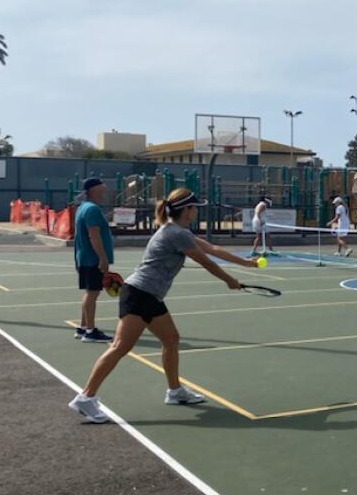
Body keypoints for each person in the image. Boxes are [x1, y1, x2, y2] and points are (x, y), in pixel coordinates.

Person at [68, 188, 260, 423]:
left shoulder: (178, 231)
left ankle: (175, 391)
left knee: (171, 340)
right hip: (139, 294)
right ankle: (85, 398)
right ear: (187, 210)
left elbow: (212, 248)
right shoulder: (176, 234)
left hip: (150, 296)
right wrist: (230, 281)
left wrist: (246, 263)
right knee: (120, 347)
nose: (196, 213)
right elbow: (207, 261)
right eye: (194, 209)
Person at [73, 178, 114, 343]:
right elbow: (93, 235)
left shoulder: (82, 208)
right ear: (94, 189)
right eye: (102, 188)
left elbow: (78, 238)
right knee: (92, 293)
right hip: (92, 259)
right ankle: (90, 331)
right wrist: (103, 259)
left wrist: (76, 260)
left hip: (84, 258)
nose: (104, 191)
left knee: (90, 293)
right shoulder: (92, 210)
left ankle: (83, 328)